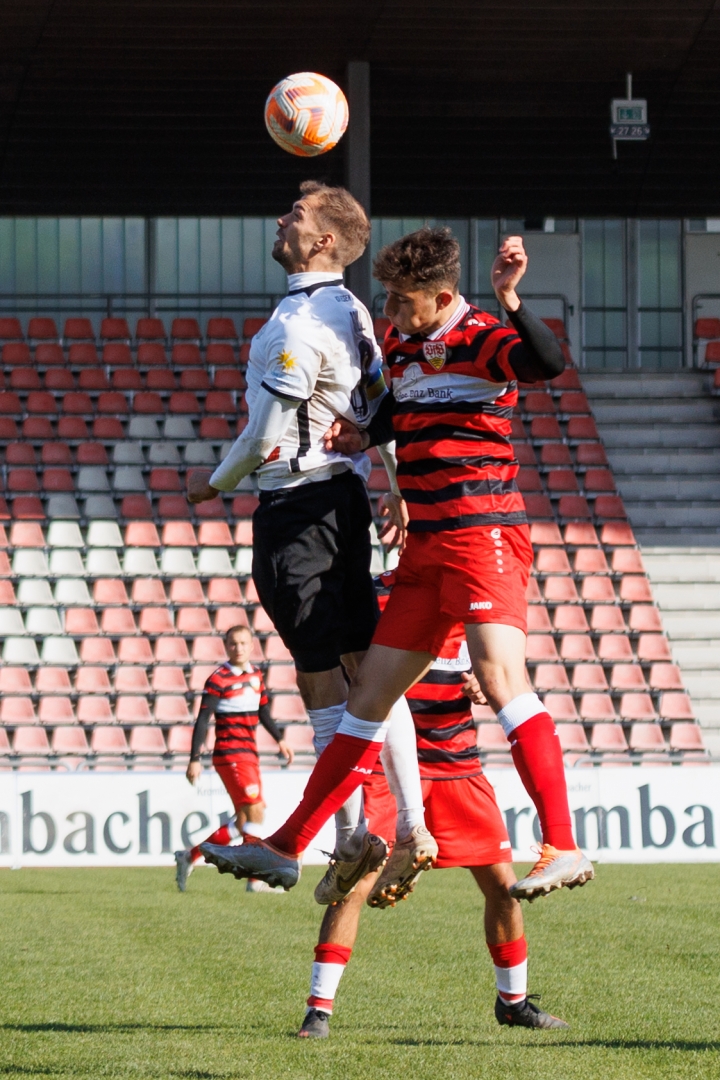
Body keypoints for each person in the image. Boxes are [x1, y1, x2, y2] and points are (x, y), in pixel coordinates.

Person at [201, 226, 594, 904]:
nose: (389, 312)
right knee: (367, 701)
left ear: (440, 297)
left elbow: (546, 363)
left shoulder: (482, 337)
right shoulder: (406, 346)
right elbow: (402, 408)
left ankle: (562, 843)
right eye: (385, 299)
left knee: (501, 679)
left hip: (482, 535)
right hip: (426, 550)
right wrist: (364, 433)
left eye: (400, 301)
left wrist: (510, 299)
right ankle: (287, 845)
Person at [189, 182, 435, 903]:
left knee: (321, 680)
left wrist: (213, 484)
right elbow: (380, 404)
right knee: (369, 673)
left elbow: (265, 434)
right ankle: (411, 823)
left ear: (324, 240)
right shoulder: (352, 310)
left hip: (298, 509)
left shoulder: (296, 325)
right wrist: (397, 485)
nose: (281, 220)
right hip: (343, 501)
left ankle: (348, 840)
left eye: (295, 216)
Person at [298, 590, 568, 1037]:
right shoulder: (373, 594)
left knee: (503, 887)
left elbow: (502, 671)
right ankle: (318, 1010)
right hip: (389, 767)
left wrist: (481, 682)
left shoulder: (469, 602)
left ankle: (513, 1004)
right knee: (355, 883)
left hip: (457, 763)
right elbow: (352, 672)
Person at [174, 624, 294, 892]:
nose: (237, 648)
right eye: (232, 643)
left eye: (242, 643)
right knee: (255, 810)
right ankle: (255, 878)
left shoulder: (256, 675)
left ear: (251, 646)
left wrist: (280, 739)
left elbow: (263, 711)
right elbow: (203, 719)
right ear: (226, 646)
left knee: (243, 820)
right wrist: (195, 758)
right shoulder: (218, 679)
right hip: (230, 754)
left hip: (250, 753)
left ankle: (189, 856)